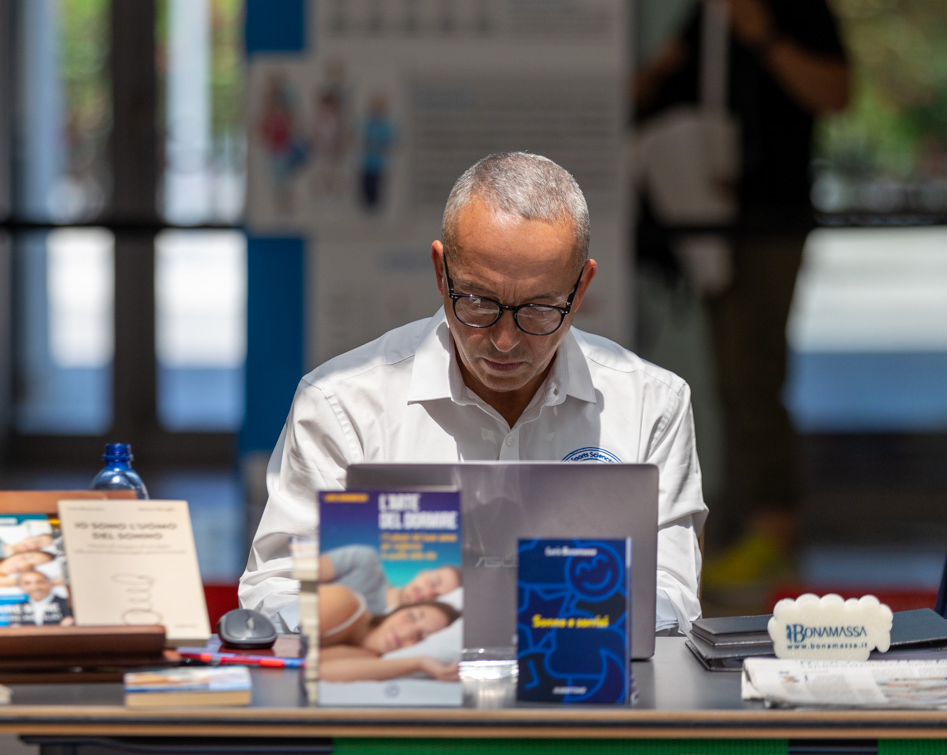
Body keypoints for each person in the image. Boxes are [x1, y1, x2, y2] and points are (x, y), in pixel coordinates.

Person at [239, 151, 707, 631]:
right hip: (399, 675)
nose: (505, 340)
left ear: (581, 288)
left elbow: (671, 596)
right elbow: (277, 590)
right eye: (480, 302)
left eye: (539, 309)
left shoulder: (652, 404)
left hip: (580, 677)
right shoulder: (343, 404)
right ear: (441, 274)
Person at [632, 0, 851, 589]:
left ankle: (775, 529)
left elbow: (836, 93)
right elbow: (660, 88)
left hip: (773, 222)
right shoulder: (708, 11)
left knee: (756, 373)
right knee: (731, 377)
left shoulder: (796, 1)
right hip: (713, 222)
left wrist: (764, 36)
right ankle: (755, 522)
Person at [317, 583, 461, 682]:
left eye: (421, 637)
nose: (406, 632)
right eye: (412, 617)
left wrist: (419, 663)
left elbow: (321, 673)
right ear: (399, 609)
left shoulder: (370, 656)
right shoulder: (344, 603)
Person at [320, 544, 461, 616]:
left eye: (437, 597)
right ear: (424, 572)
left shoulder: (393, 636)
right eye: (434, 582)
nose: (428, 593)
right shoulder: (365, 561)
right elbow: (309, 572)